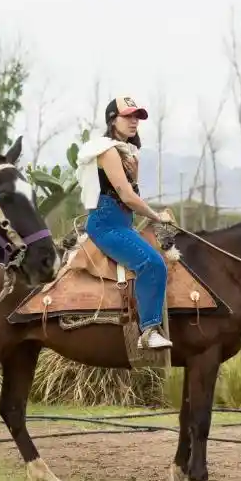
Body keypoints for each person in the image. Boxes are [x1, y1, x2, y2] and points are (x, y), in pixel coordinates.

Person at [75, 96, 174, 349]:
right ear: (112, 119)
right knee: (151, 263)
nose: (134, 122)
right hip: (106, 224)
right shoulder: (107, 152)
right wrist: (157, 217)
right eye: (128, 116)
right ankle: (149, 331)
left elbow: (132, 194)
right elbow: (127, 197)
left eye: (137, 117)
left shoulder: (128, 154)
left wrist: (136, 176)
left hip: (123, 222)